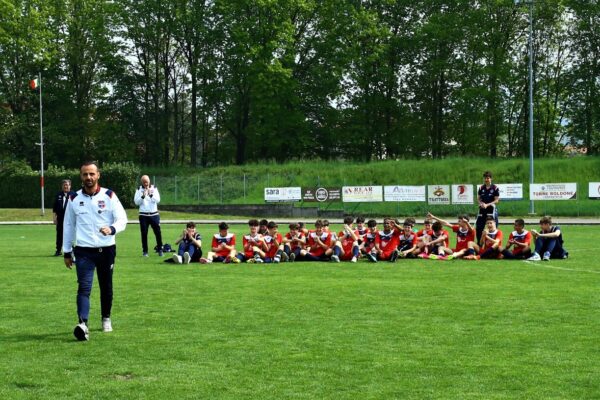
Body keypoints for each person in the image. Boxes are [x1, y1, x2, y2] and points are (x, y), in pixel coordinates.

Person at [62, 161, 128, 341]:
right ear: (81, 177)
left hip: (106, 250)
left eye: (92, 174)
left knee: (106, 286)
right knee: (84, 287)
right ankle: (83, 324)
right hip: (83, 251)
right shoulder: (74, 198)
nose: (88, 178)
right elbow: (68, 225)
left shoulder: (109, 195)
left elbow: (122, 219)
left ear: (98, 175)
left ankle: (106, 317)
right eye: (85, 175)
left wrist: (112, 229)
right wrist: (67, 251)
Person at [134, 175, 163, 257]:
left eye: (147, 182)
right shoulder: (138, 189)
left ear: (149, 181)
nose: (146, 184)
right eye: (144, 182)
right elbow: (136, 202)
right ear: (142, 182)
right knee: (144, 233)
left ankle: (160, 249)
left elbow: (158, 200)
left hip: (154, 214)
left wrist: (151, 195)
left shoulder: (154, 188)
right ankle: (145, 251)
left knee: (158, 232)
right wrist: (143, 196)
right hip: (143, 215)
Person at [52, 179, 75, 256]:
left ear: (70, 186)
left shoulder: (74, 195)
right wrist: (54, 218)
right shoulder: (58, 194)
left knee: (70, 234)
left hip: (70, 219)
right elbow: (55, 207)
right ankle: (58, 250)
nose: (66, 186)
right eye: (64, 185)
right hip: (60, 218)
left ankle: (71, 250)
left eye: (67, 185)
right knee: (59, 234)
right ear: (62, 186)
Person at [476, 171, 500, 243]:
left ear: (491, 179)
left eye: (488, 178)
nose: (486, 180)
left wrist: (487, 204)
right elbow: (478, 198)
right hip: (482, 210)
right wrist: (481, 203)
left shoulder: (495, 188)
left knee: (492, 227)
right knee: (479, 227)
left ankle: (492, 242)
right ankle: (479, 243)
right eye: (485, 178)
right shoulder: (481, 188)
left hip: (491, 209)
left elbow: (496, 200)